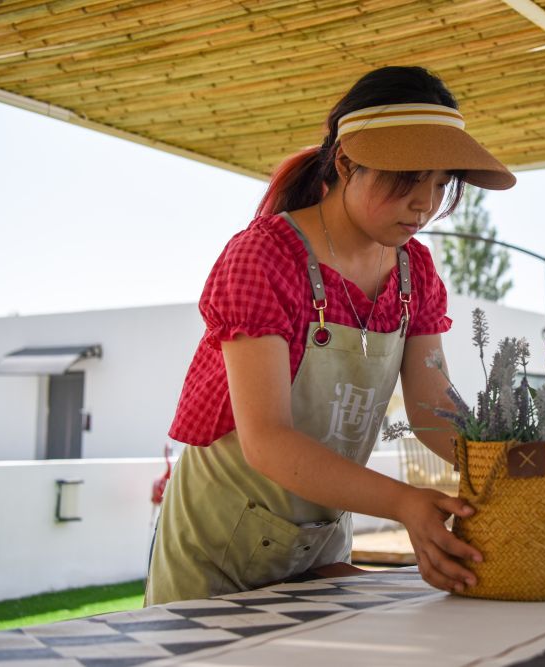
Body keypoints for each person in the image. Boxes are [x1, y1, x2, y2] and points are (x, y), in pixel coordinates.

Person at [144, 65, 516, 605]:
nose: (425, 204)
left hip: (317, 548)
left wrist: (515, 461)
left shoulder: (416, 272)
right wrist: (405, 503)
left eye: (440, 184)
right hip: (216, 551)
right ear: (345, 162)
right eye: (408, 178)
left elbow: (434, 410)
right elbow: (267, 440)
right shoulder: (264, 256)